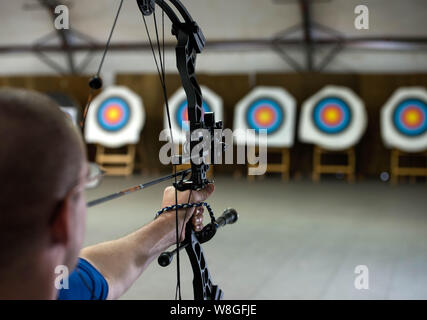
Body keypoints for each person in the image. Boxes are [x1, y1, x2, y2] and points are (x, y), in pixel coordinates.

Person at [0, 88, 214, 300]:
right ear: (63, 220)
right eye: (81, 188)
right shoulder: (62, 290)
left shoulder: (56, 285)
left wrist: (169, 223)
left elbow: (101, 272)